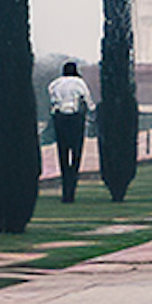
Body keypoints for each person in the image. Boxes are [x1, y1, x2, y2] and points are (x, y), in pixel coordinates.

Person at [46, 60, 91, 202]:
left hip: (60, 119)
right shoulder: (79, 83)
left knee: (63, 155)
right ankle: (71, 190)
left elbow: (52, 101)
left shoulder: (55, 84)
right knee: (76, 156)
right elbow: (88, 102)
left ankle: (66, 190)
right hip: (75, 119)